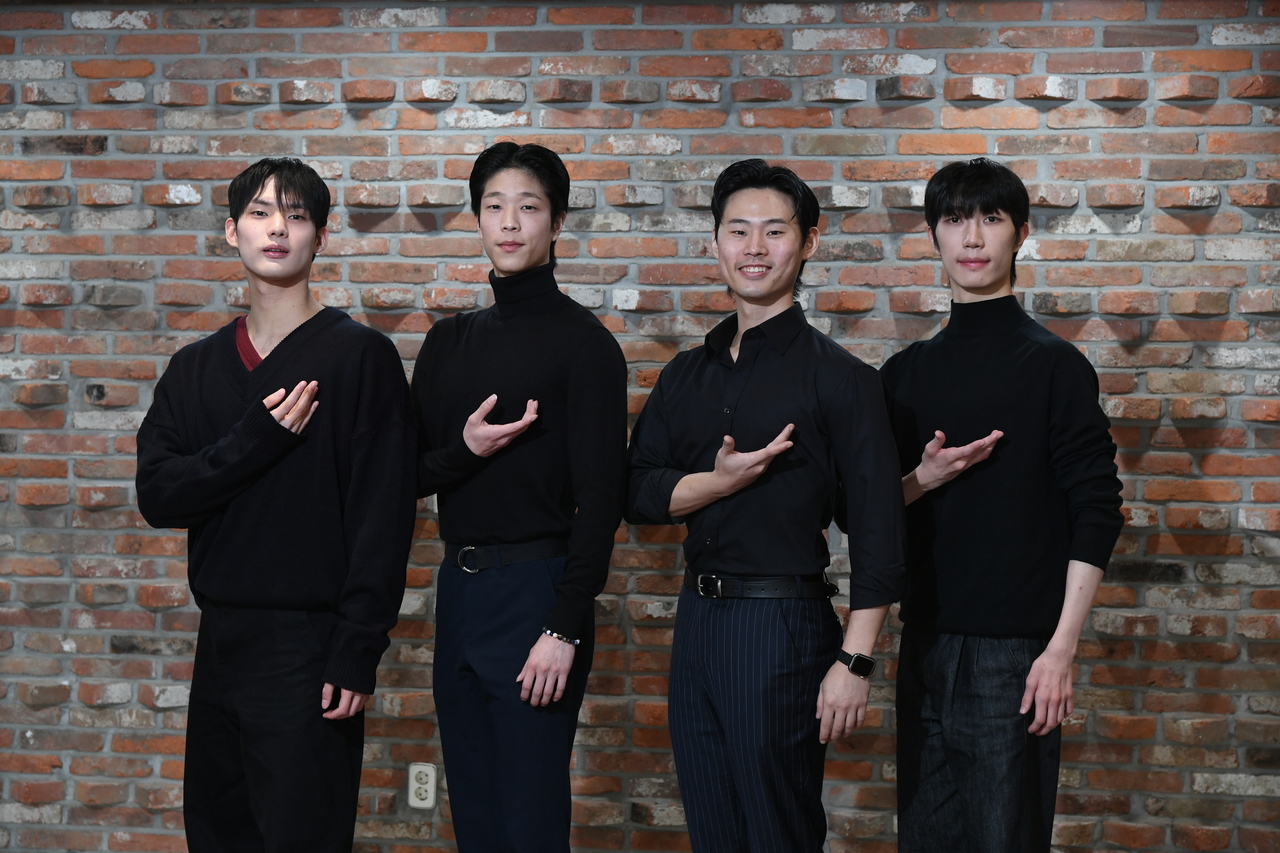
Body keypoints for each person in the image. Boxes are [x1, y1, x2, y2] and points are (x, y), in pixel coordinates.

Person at [135, 157, 416, 851]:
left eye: (296, 215)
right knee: (218, 834)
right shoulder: (194, 367)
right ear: (232, 231)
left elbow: (384, 513)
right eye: (261, 212)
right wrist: (255, 439)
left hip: (309, 648)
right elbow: (158, 494)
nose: (278, 228)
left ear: (320, 235)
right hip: (220, 639)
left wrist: (357, 648)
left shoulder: (359, 357)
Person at [626, 159, 906, 853]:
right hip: (697, 620)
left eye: (774, 231)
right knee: (713, 829)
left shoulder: (841, 379)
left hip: (779, 623)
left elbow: (877, 532)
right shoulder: (686, 373)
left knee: (777, 832)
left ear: (807, 242)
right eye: (737, 230)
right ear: (715, 242)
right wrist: (717, 484)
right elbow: (637, 492)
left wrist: (855, 660)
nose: (754, 247)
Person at [881, 157, 1125, 852]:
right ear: (934, 236)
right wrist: (922, 477)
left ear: (1021, 232)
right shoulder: (903, 375)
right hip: (924, 643)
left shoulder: (1054, 365)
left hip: (1016, 654)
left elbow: (1097, 508)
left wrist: (1060, 649)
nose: (972, 237)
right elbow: (867, 513)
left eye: (990, 218)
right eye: (955, 219)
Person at [410, 142, 628, 852]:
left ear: (557, 222)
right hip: (461, 589)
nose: (510, 222)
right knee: (473, 812)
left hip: (538, 592)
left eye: (529, 207)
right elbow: (404, 474)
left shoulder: (586, 346)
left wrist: (564, 626)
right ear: (476, 218)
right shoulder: (448, 342)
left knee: (528, 819)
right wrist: (463, 452)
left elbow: (602, 500)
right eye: (494, 206)